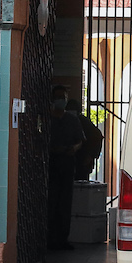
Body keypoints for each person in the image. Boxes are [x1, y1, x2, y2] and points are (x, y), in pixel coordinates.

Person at [47, 85, 86, 250]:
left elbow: (81, 140)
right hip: (51, 164)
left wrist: (73, 149)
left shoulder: (72, 120)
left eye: (63, 97)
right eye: (58, 97)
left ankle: (62, 239)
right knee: (51, 201)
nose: (61, 101)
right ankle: (49, 238)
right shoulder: (48, 120)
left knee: (65, 202)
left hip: (67, 163)